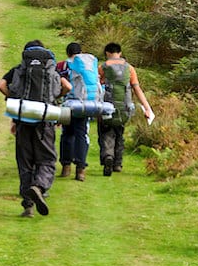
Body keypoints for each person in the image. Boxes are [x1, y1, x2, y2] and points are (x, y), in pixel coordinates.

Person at [0, 40, 71, 218]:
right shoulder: (51, 69)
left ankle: (28, 206)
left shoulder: (18, 69)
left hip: (23, 119)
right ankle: (38, 187)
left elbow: (0, 85)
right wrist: (55, 100)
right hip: (45, 120)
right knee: (46, 160)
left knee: (25, 163)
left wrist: (13, 99)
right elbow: (67, 87)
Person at [98, 42, 153, 176]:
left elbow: (97, 87)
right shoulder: (129, 68)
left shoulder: (103, 67)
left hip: (107, 106)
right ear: (120, 53)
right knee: (119, 134)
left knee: (106, 133)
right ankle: (117, 163)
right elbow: (136, 88)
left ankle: (107, 157)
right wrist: (147, 108)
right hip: (124, 108)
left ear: (107, 53)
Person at [56, 42, 101, 182]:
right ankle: (80, 170)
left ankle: (66, 167)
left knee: (67, 134)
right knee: (81, 134)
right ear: (81, 52)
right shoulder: (89, 65)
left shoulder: (62, 66)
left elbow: (57, 83)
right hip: (85, 104)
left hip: (67, 105)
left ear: (67, 53)